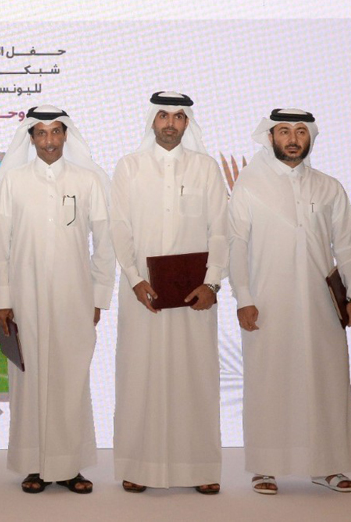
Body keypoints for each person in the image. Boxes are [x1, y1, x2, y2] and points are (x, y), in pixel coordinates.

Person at [229, 109, 351, 495]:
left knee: (325, 380)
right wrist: (244, 298)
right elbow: (237, 246)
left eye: (300, 132)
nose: (292, 138)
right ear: (270, 137)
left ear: (310, 138)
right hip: (268, 301)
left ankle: (327, 466)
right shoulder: (250, 187)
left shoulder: (328, 187)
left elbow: (347, 246)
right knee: (270, 380)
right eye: (284, 131)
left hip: (322, 304)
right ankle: (265, 467)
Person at [0, 105, 116, 494]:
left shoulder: (88, 181)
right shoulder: (14, 182)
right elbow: (0, 247)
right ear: (30, 138)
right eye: (40, 134)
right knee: (29, 381)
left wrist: (97, 295)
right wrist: (1, 300)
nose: (49, 141)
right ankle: (34, 465)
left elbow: (104, 243)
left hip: (73, 297)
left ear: (66, 135)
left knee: (69, 378)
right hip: (24, 299)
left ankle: (70, 466)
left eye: (55, 132)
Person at [110, 92, 228, 494]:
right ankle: (137, 466)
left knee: (194, 379)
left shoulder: (206, 168)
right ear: (151, 120)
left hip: (196, 298)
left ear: (188, 123)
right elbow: (119, 229)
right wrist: (134, 279)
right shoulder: (129, 167)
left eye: (179, 117)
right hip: (143, 295)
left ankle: (200, 468)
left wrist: (212, 283)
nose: (170, 123)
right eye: (163, 115)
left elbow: (221, 231)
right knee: (139, 378)